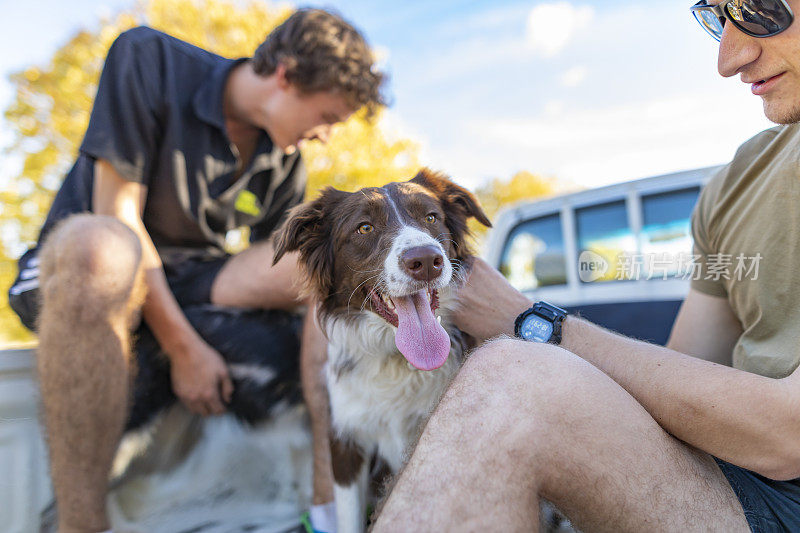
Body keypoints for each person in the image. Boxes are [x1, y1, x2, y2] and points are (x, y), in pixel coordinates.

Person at [373, 0, 800, 531]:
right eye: (716, 18)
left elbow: (789, 436)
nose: (728, 58)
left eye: (759, 8)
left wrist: (528, 321)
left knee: (514, 375)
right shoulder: (736, 184)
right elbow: (681, 380)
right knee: (513, 380)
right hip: (734, 478)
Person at [7, 8, 384, 533]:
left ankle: (329, 510)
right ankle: (80, 525)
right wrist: (185, 350)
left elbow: (277, 265)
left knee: (324, 258)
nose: (323, 136)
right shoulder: (148, 58)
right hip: (88, 265)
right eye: (327, 118)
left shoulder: (283, 159)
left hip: (193, 279)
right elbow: (117, 215)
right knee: (102, 251)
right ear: (286, 75)